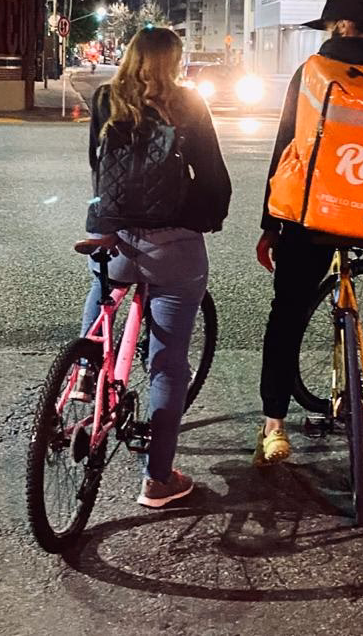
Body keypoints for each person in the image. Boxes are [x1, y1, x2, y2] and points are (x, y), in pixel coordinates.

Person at [254, 0, 363, 467]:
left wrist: (271, 225)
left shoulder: (314, 72)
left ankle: (274, 428)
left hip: (314, 210)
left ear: (341, 26)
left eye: (328, 26)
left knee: (287, 313)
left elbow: (289, 147)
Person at [82, 27, 232, 507]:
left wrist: (110, 217)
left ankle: (87, 370)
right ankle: (158, 479)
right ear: (175, 61)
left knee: (104, 289)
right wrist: (211, 217)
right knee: (168, 365)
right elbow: (211, 173)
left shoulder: (106, 98)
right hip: (175, 246)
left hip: (118, 236)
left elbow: (97, 162)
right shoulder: (187, 103)